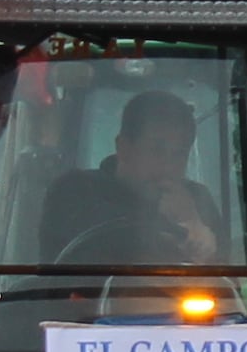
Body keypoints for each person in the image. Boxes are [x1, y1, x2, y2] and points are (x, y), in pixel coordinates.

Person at [41, 88, 229, 270]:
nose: (168, 166)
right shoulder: (75, 191)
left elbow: (230, 291)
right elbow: (67, 267)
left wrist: (195, 228)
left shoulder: (196, 200)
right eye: (157, 150)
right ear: (124, 147)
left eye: (180, 154)